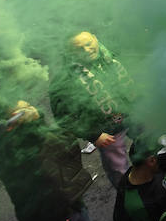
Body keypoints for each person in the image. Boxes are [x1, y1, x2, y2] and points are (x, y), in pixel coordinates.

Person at [48, 31, 135, 189]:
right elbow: (64, 118)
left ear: (95, 38)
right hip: (106, 131)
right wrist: (94, 135)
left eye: (88, 44)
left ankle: (152, 182)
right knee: (118, 169)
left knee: (148, 147)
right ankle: (128, 195)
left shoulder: (111, 56)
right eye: (79, 49)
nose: (87, 50)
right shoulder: (64, 80)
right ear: (70, 52)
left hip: (132, 113)